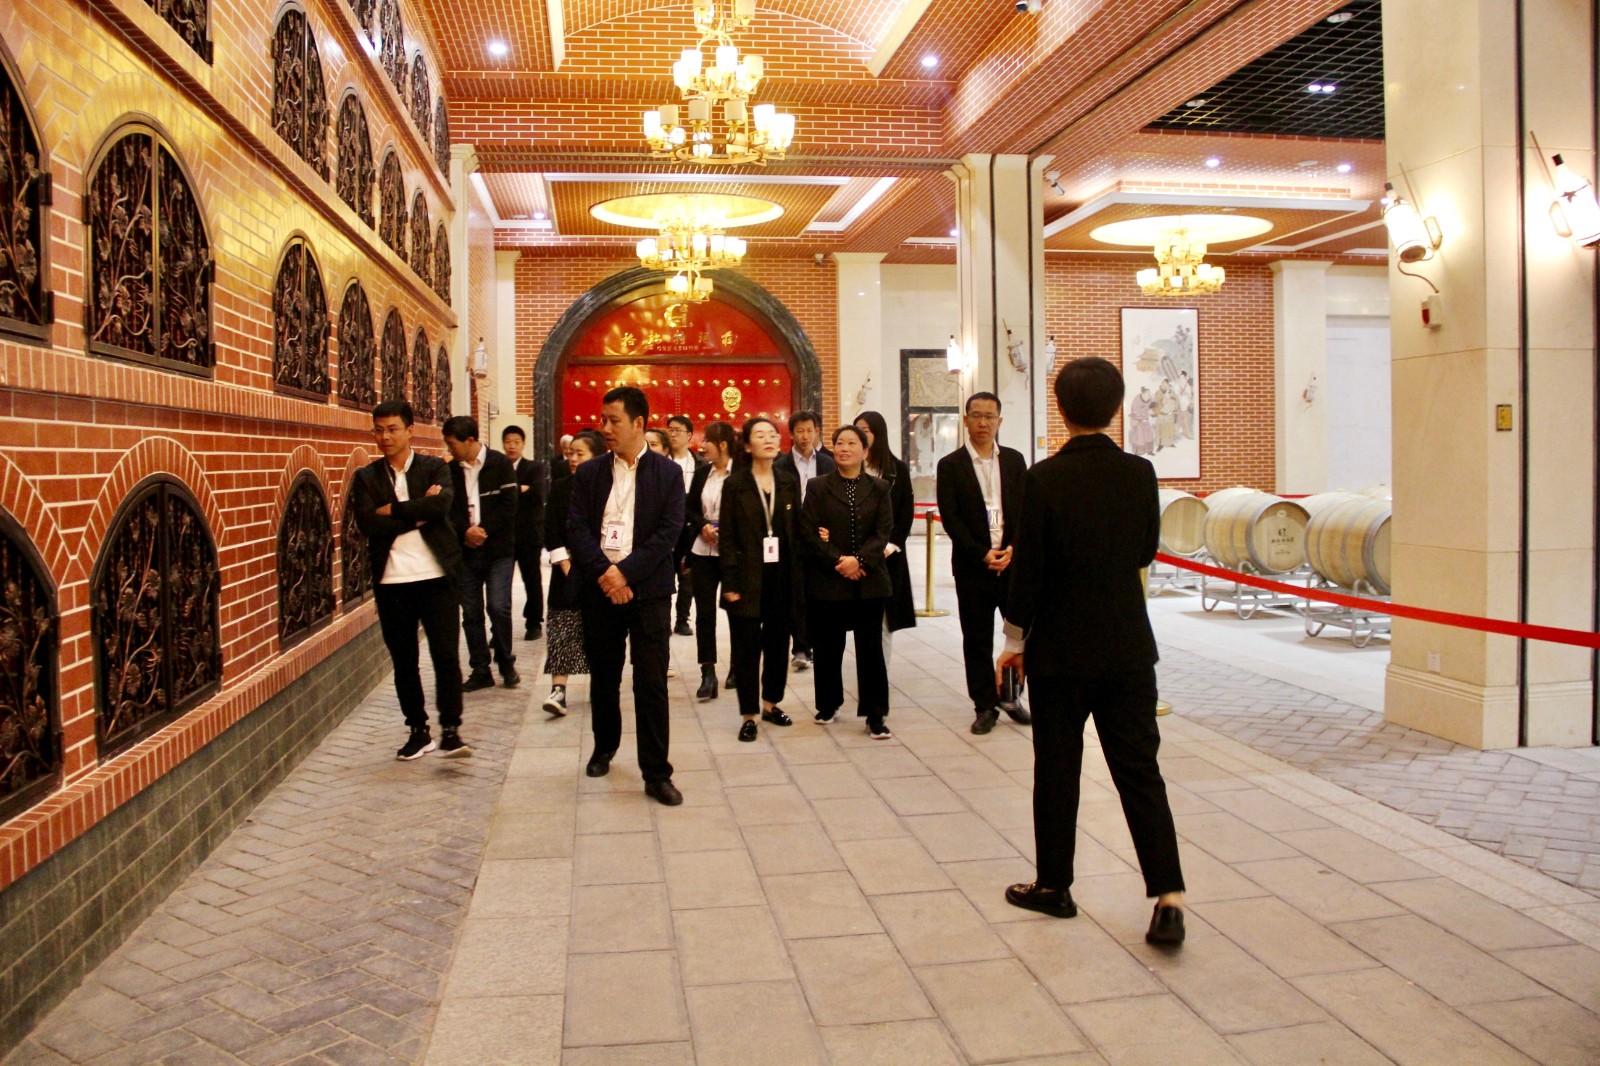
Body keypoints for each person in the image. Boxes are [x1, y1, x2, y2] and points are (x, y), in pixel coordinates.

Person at [997, 356, 1187, 945]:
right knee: (1140, 771)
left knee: (1058, 769)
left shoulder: (1043, 479)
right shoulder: (1140, 473)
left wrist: (1014, 641)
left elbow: (1029, 569)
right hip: (1128, 647)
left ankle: (1054, 885)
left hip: (1059, 650)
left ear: (1061, 408)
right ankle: (1168, 897)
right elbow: (1145, 550)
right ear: (1116, 407)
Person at [567, 385, 686, 806]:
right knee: (604, 675)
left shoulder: (668, 474)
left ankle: (656, 773)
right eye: (603, 420)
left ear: (638, 423)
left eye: (613, 420)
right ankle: (604, 746)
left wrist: (626, 573)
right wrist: (606, 573)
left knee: (650, 682)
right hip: (600, 589)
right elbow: (577, 527)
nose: (605, 428)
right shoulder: (590, 473)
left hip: (648, 591)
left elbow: (668, 533)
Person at [350, 400, 470, 760]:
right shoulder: (367, 477)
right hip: (393, 581)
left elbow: (441, 506)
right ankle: (418, 730)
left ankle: (451, 730)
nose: (385, 437)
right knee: (404, 661)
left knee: (445, 655)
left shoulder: (435, 467)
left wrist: (395, 510)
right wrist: (418, 513)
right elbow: (368, 523)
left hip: (437, 578)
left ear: (409, 431)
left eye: (392, 429)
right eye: (379, 430)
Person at [936, 392, 1032, 736]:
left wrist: (1012, 548)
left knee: (1019, 634)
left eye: (989, 416)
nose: (982, 422)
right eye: (976, 415)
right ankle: (984, 706)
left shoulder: (1015, 461)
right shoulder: (951, 465)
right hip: (973, 567)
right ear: (965, 420)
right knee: (976, 639)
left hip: (1011, 566)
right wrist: (981, 553)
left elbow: (1025, 509)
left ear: (999, 422)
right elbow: (951, 518)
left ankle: (1011, 697)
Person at [800, 425, 893, 738]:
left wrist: (860, 561)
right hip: (829, 579)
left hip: (870, 582)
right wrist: (840, 561)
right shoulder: (817, 486)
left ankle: (875, 715)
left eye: (852, 443)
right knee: (828, 647)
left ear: (864, 452)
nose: (844, 448)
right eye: (840, 443)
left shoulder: (879, 488)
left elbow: (883, 532)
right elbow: (809, 532)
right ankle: (828, 704)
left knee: (870, 650)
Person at [720, 418, 803, 741]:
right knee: (746, 649)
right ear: (746, 445)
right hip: (746, 578)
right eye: (760, 435)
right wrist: (729, 583)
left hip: (781, 577)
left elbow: (796, 530)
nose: (768, 439)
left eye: (772, 434)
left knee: (778, 645)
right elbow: (728, 537)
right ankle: (749, 714)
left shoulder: (788, 481)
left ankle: (770, 704)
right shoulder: (735, 484)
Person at [443, 416, 521, 691]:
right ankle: (480, 669)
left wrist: (483, 530)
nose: (449, 449)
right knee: (471, 612)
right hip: (466, 553)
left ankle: (506, 662)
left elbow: (509, 505)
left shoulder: (500, 464)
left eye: (452, 443)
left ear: (469, 441)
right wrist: (466, 531)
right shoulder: (450, 470)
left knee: (498, 607)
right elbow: (448, 508)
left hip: (498, 550)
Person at [540, 430, 602, 716]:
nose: (573, 459)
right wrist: (564, 564)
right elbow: (550, 528)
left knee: (597, 630)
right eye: (570, 454)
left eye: (580, 454)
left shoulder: (606, 487)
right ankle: (558, 690)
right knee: (561, 628)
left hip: (599, 568)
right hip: (566, 569)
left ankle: (601, 685)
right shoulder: (561, 486)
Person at [774, 409, 834, 671]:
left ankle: (821, 642)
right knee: (796, 592)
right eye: (800, 431)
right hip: (793, 537)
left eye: (810, 430)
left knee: (820, 591)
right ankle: (800, 647)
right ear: (791, 434)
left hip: (822, 536)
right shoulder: (780, 466)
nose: (805, 436)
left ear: (817, 431)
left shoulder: (828, 463)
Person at [853, 411, 917, 660]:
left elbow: (905, 514)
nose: (860, 434)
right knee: (860, 619)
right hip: (855, 556)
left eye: (865, 430)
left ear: (878, 434)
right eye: (857, 429)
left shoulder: (896, 470)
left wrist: (889, 546)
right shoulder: (851, 467)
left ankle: (881, 672)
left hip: (887, 557)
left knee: (884, 621)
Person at [684, 422, 738, 701]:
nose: (703, 445)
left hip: (732, 553)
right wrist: (702, 525)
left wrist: (726, 530)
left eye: (707, 440)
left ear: (723, 445)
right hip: (702, 551)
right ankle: (708, 672)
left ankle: (738, 666)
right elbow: (690, 508)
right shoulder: (702, 472)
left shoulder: (741, 473)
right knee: (704, 613)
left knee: (736, 610)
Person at [502, 424, 547, 642]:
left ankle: (534, 622)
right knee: (502, 584)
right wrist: (521, 489)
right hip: (505, 536)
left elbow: (537, 494)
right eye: (508, 442)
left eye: (516, 442)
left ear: (523, 444)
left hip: (529, 535)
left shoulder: (534, 467)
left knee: (532, 580)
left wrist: (511, 490)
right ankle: (501, 629)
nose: (512, 446)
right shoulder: (499, 468)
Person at [665, 414, 702, 636]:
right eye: (670, 429)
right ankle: (664, 619)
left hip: (690, 527)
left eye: (677, 430)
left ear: (689, 435)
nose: (673, 434)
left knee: (688, 577)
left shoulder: (699, 463)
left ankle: (682, 620)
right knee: (665, 574)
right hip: (667, 524)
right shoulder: (662, 461)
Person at [1128, 387, 1155, 456]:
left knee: (1149, 435)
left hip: (1145, 420)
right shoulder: (1137, 399)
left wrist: (1152, 410)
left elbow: (1151, 408)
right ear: (1143, 393)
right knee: (1139, 436)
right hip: (1137, 420)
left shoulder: (1150, 399)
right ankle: (1139, 451)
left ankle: (1149, 450)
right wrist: (1143, 416)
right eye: (1147, 393)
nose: (1149, 395)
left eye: (1149, 394)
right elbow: (1135, 412)